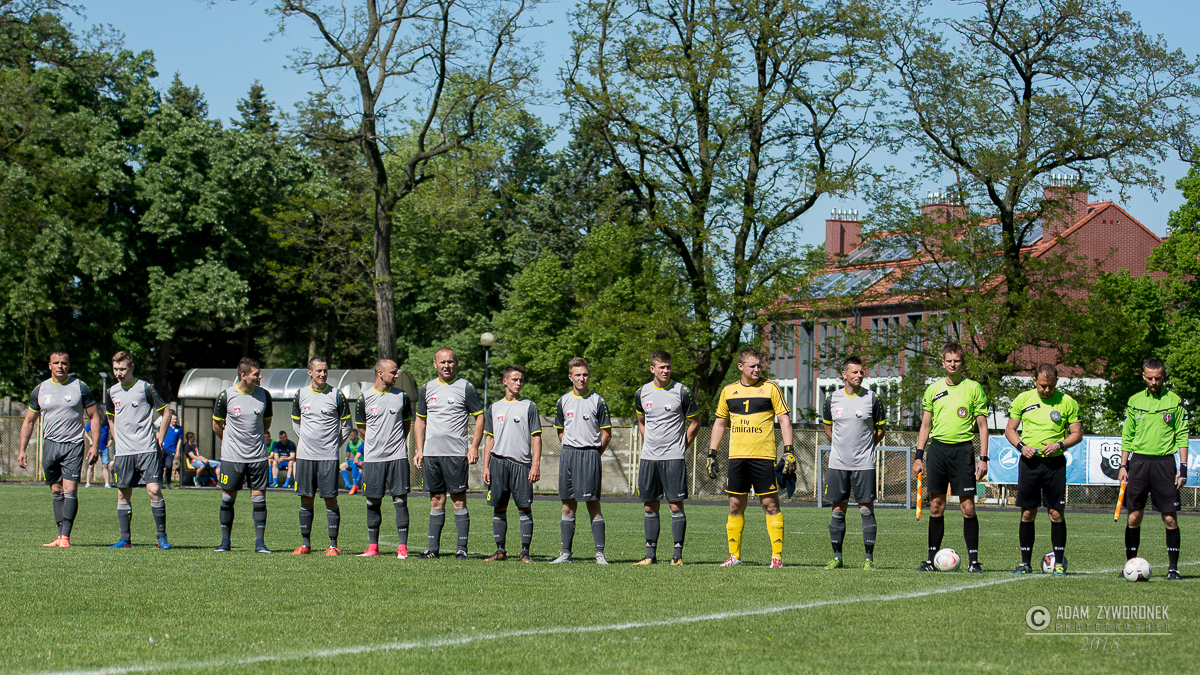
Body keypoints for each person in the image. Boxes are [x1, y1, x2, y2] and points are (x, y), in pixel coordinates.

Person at [708, 348, 792, 568]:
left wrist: (788, 450)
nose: (757, 369)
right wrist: (712, 453)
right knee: (735, 505)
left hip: (763, 457)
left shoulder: (771, 388)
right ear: (741, 367)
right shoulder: (728, 391)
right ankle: (734, 556)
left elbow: (784, 419)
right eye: (752, 366)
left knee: (770, 504)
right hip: (737, 458)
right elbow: (720, 423)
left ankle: (776, 557)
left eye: (759, 365)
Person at [913, 342, 989, 573]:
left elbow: (982, 426)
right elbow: (925, 426)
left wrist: (983, 458)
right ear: (943, 363)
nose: (953, 364)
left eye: (956, 361)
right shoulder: (933, 389)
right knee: (936, 506)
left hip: (962, 452)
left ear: (962, 363)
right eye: (949, 361)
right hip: (937, 451)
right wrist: (919, 456)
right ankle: (931, 560)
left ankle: (974, 562)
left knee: (968, 508)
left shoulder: (974, 388)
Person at [17, 350, 100, 548]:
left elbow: (95, 416)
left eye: (64, 363)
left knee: (70, 489)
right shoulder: (40, 390)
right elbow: (29, 421)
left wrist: (95, 446)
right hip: (50, 444)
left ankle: (66, 537)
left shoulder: (80, 387)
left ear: (68, 366)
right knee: (56, 489)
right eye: (56, 363)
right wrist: (22, 449)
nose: (60, 366)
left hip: (73, 444)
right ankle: (59, 534)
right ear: (50, 366)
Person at [1004, 363, 1082, 576]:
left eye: (1051, 386)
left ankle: (1059, 563)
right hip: (1030, 463)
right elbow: (1010, 430)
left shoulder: (1067, 402)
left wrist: (1059, 445)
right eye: (1042, 386)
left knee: (1055, 513)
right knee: (1028, 513)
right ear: (1034, 381)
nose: (1047, 390)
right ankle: (1025, 563)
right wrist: (1022, 447)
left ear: (1057, 381)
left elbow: (1077, 433)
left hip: (1054, 464)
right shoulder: (1023, 399)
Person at [1119, 357, 1187, 581]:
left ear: (1165, 376)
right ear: (1144, 377)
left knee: (1170, 518)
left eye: (1158, 378)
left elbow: (1182, 435)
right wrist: (1123, 465)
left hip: (1165, 463)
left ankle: (1173, 568)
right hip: (1138, 463)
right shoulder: (1134, 401)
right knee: (1133, 517)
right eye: (1150, 378)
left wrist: (1183, 468)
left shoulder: (1175, 401)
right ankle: (1129, 566)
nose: (1154, 382)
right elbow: (1127, 436)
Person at [413, 348, 485, 560]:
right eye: (442, 362)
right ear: (435, 364)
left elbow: (480, 417)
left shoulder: (466, 387)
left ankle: (461, 549)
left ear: (456, 363)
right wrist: (420, 449)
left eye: (450, 362)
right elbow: (420, 419)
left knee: (458, 501)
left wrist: (473, 447)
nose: (447, 366)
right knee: (436, 500)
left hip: (455, 454)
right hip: (432, 455)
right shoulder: (427, 388)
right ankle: (432, 549)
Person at [633, 350, 700, 565]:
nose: (666, 370)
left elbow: (695, 423)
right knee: (649, 506)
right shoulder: (641, 393)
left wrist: (681, 446)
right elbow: (641, 422)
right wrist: (649, 443)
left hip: (673, 458)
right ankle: (650, 555)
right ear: (652, 369)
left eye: (668, 367)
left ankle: (677, 556)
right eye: (662, 367)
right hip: (649, 458)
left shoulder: (682, 391)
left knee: (675, 506)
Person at [822, 356, 885, 570]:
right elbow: (828, 429)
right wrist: (841, 447)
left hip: (864, 464)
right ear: (844, 374)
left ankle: (868, 559)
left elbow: (880, 430)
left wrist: (865, 447)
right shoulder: (832, 399)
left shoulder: (872, 398)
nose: (859, 375)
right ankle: (837, 557)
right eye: (855, 372)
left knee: (866, 509)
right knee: (838, 510)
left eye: (861, 372)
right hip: (838, 464)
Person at [104, 351, 172, 549]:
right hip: (124, 452)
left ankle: (161, 537)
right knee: (122, 494)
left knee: (154, 490)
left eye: (122, 369)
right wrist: (117, 442)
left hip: (146, 449)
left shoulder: (145, 388)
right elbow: (110, 419)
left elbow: (166, 413)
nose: (118, 373)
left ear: (131, 367)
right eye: (115, 369)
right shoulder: (111, 392)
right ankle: (125, 540)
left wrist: (159, 440)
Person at [550, 357, 613, 565]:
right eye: (577, 375)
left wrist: (594, 453)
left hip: (590, 455)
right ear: (570, 377)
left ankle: (600, 554)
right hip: (568, 455)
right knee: (567, 506)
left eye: (585, 374)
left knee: (593, 504)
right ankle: (565, 554)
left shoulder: (598, 401)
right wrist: (572, 447)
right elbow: (560, 431)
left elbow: (607, 434)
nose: (582, 378)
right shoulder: (562, 401)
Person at [291, 357, 352, 556]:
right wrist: (307, 441)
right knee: (306, 498)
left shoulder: (337, 395)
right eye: (318, 371)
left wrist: (333, 445)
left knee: (330, 498)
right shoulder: (300, 395)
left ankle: (333, 545)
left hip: (328, 457)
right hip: (305, 457)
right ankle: (305, 544)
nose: (323, 374)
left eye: (325, 370)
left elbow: (347, 426)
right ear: (310, 372)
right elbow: (296, 423)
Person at [212, 357, 274, 553]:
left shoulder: (265, 395)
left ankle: (260, 544)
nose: (260, 377)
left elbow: (266, 424)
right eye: (256, 374)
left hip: (258, 457)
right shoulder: (226, 396)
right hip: (232, 458)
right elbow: (216, 425)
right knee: (228, 498)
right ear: (243, 375)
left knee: (259, 499)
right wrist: (230, 442)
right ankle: (225, 543)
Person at [354, 359, 414, 558]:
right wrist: (376, 444)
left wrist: (394, 443)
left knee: (400, 501)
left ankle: (402, 548)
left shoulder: (402, 397)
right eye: (393, 372)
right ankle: (373, 548)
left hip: (397, 457)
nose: (396, 376)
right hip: (373, 459)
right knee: (372, 503)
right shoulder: (364, 398)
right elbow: (361, 428)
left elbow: (406, 425)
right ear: (380, 373)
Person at [482, 365, 542, 563]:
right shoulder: (494, 408)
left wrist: (535, 465)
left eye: (521, 380)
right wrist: (485, 466)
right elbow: (489, 438)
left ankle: (525, 552)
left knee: (524, 508)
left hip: (521, 465)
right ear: (505, 381)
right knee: (499, 507)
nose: (518, 383)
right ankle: (500, 551)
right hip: (498, 463)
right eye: (515, 379)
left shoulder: (529, 406)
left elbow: (536, 437)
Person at [84, 417, 112, 488]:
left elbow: (114, 431)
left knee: (105, 465)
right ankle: (88, 483)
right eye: (102, 423)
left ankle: (107, 484)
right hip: (94, 447)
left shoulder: (108, 423)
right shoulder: (94, 423)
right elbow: (85, 431)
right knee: (91, 465)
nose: (104, 424)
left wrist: (111, 440)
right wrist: (90, 440)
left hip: (104, 448)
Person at [161, 411, 182, 489]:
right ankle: (160, 483)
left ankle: (168, 483)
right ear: (170, 419)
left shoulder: (179, 429)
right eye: (173, 419)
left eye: (175, 419)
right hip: (164, 449)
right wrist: (161, 442)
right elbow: (159, 433)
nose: (174, 421)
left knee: (169, 466)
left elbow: (180, 439)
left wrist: (177, 450)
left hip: (171, 450)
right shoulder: (165, 426)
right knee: (161, 466)